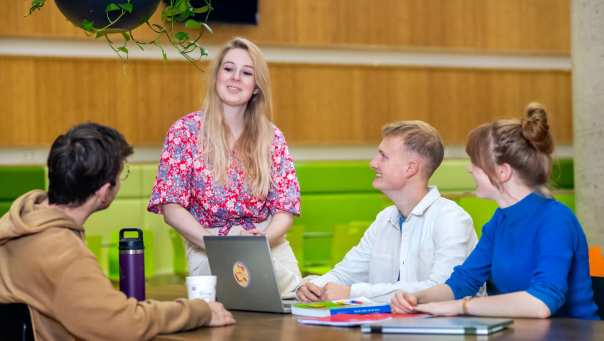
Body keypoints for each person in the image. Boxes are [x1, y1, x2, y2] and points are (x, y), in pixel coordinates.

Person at [0, 123, 235, 340]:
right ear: (104, 191)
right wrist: (200, 311)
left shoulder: (21, 221)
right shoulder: (60, 251)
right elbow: (122, 324)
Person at [391, 103, 599, 320]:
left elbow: (541, 303)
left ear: (502, 172)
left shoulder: (556, 220)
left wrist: (462, 306)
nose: (469, 168)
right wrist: (417, 298)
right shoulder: (500, 220)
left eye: (475, 163)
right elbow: (463, 282)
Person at [148, 37, 302, 296]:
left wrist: (264, 240)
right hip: (206, 243)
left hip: (267, 244)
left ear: (256, 86)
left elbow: (285, 208)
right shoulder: (184, 131)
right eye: (228, 69)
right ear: (217, 75)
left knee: (295, 311)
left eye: (247, 73)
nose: (235, 78)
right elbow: (171, 208)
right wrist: (216, 244)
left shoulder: (272, 136)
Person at [296, 121, 477, 303]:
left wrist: (353, 292)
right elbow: (345, 273)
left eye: (383, 156)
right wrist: (312, 287)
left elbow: (442, 288)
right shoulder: (384, 219)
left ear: (410, 168)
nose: (373, 163)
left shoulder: (451, 218)